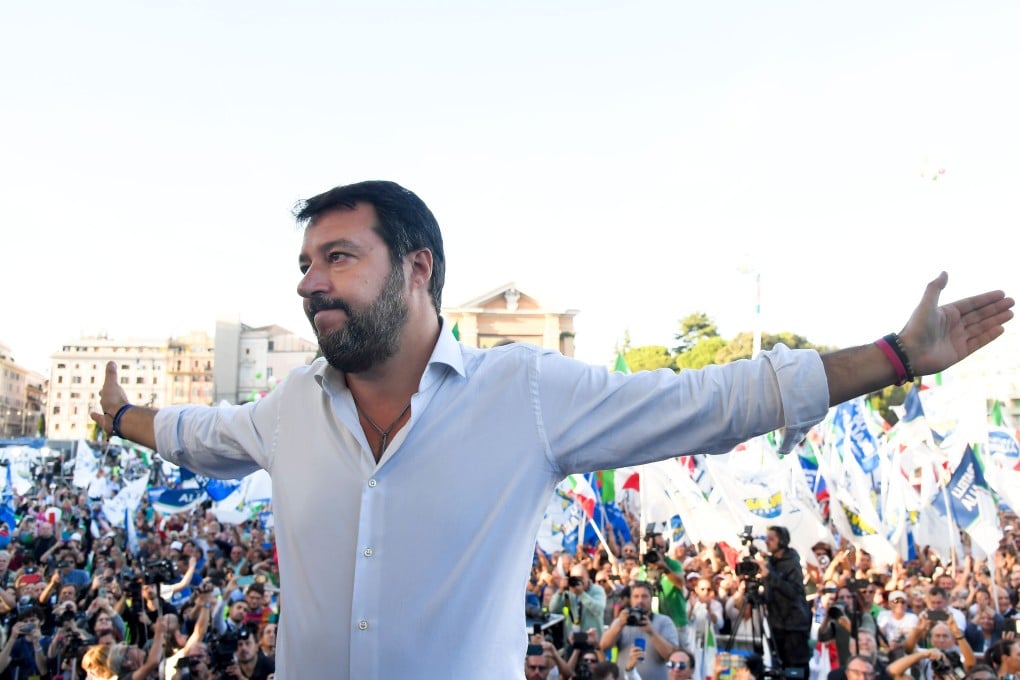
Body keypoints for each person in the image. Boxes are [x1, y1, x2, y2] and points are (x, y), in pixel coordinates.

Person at [89, 179, 1015, 679]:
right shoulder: (287, 409)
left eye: (337, 257)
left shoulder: (523, 394)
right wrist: (121, 416)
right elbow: (194, 433)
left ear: (418, 270)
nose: (306, 283)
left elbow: (710, 400)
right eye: (302, 264)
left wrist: (893, 358)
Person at [601, 581, 679, 680]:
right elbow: (604, 645)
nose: (640, 600)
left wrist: (651, 632)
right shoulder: (621, 621)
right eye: (636, 596)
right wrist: (620, 624)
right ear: (631, 599)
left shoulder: (664, 622)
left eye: (644, 596)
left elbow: (671, 655)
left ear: (651, 599)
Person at [762, 525, 812, 679]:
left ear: (782, 541)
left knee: (795, 667)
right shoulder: (769, 562)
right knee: (780, 667)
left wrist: (769, 575)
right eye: (766, 538)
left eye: (772, 539)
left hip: (794, 626)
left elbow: (794, 592)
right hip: (777, 623)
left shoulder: (792, 562)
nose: (767, 542)